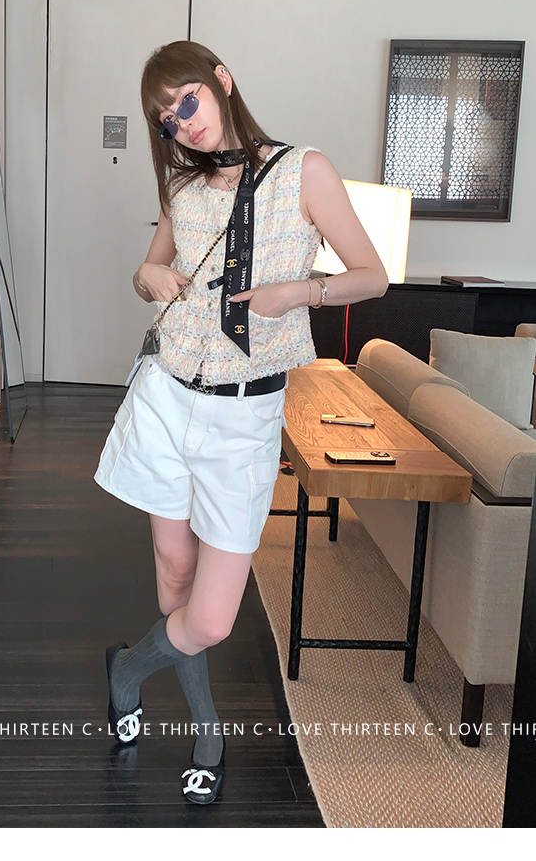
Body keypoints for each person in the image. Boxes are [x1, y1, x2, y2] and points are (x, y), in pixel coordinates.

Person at [94, 40, 388, 804]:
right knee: (174, 579)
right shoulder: (183, 189)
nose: (180, 124)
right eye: (165, 119)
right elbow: (147, 275)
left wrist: (301, 292)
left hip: (244, 415)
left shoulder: (304, 170)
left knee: (213, 616)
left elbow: (373, 274)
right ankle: (207, 731)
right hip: (167, 398)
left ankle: (128, 668)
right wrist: (147, 273)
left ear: (221, 80)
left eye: (186, 101)